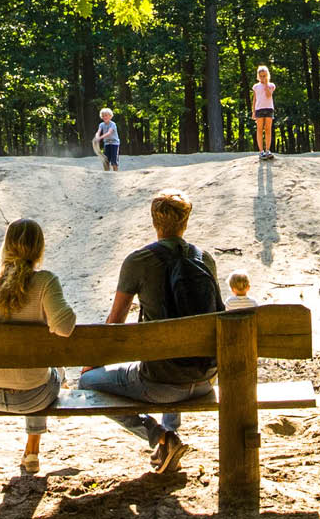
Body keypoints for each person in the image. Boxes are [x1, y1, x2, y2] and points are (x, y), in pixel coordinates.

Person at [78, 189, 223, 473]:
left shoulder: (138, 261)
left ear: (155, 221)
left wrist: (90, 365)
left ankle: (161, 436)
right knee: (177, 344)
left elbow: (115, 323)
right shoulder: (205, 259)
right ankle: (170, 435)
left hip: (161, 385)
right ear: (186, 221)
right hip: (206, 378)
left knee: (88, 382)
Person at [0, 218, 76, 475]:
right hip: (34, 395)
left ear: (5, 247)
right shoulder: (46, 282)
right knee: (45, 372)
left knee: (36, 370)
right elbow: (65, 327)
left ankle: (31, 450)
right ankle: (33, 450)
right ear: (39, 249)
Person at [250, 65, 276, 159]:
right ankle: (261, 151)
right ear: (258, 76)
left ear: (267, 75)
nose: (262, 78)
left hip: (269, 109)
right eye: (261, 76)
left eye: (264, 75)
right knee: (260, 129)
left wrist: (265, 84)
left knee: (268, 129)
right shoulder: (255, 86)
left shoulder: (271, 85)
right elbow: (254, 99)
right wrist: (253, 111)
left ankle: (268, 150)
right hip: (259, 109)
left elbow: (269, 95)